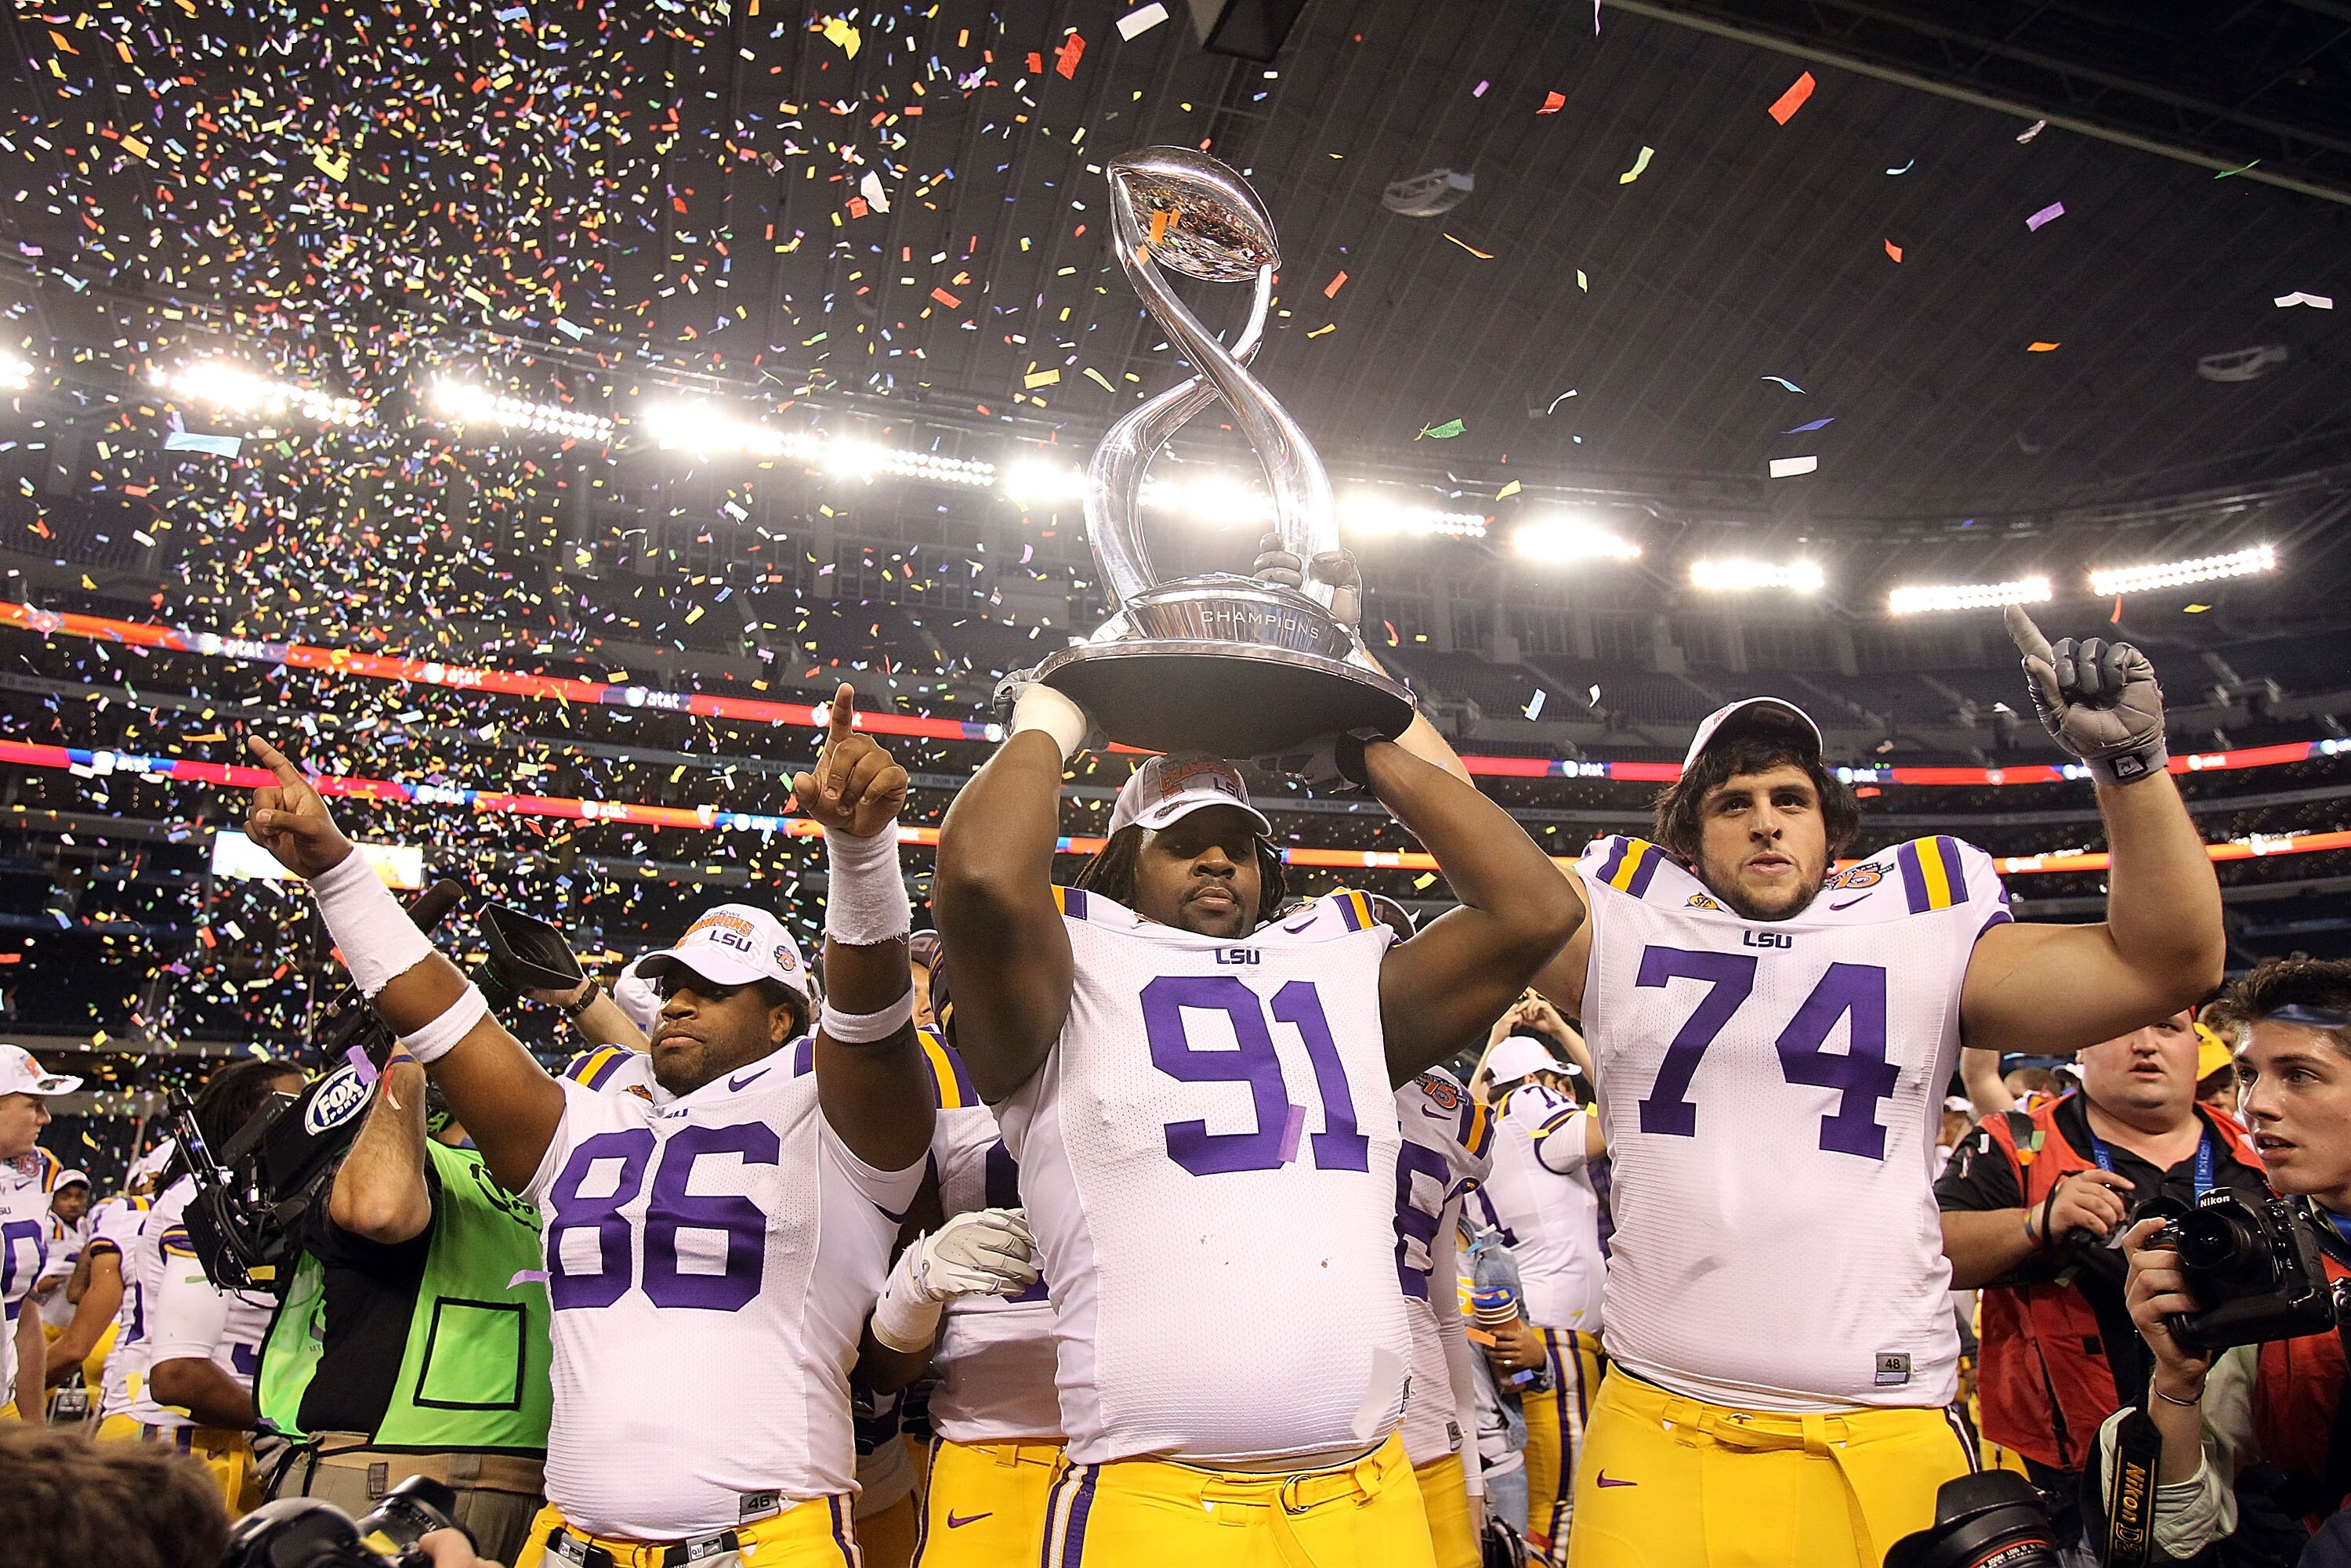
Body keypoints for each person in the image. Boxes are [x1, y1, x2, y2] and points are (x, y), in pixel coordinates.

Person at [1535, 608, 2227, 1568]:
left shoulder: (1919, 925)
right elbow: (1496, 874)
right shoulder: (1623, 920)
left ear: (1832, 831)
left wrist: (2133, 764)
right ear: (1691, 842)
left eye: (1790, 798)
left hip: (1886, 1415)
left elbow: (2169, 966)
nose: (1767, 818)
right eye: (1733, 803)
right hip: (1661, 1414)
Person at [241, 683, 933, 1568]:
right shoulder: (590, 1118)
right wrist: (337, 868)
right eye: (673, 982)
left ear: (781, 1022)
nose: (679, 1000)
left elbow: (873, 1018)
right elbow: (446, 1021)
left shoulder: (837, 1126)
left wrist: (860, 850)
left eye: (715, 989)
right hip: (570, 1543)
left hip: (765, 1541)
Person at [934, 662, 1581, 1568]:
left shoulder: (1336, 975)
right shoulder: (1069, 979)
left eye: (1238, 845)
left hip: (1369, 1489)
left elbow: (1538, 906)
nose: (1216, 860)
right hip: (1154, 1499)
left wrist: (1368, 753)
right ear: (1124, 861)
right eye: (1182, 840)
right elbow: (980, 875)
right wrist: (1054, 717)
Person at [1937, 1008, 2268, 1546]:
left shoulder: (2260, 1153)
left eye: (2168, 1027)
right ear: (2080, 1048)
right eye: (2121, 1024)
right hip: (2065, 1479)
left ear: (2197, 1047)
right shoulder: (2016, 1142)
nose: (2146, 1044)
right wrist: (2036, 1221)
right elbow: (1931, 1249)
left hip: (2246, 1472)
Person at [254, 1046, 552, 1564]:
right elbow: (379, 1209)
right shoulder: (396, 1159)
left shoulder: (547, 1180)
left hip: (534, 1491)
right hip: (390, 1482)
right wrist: (407, 1061)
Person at [2098, 957, 2351, 1559]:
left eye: (2299, 1074)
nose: (2254, 1104)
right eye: (2248, 1075)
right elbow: (2172, 1533)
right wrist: (2176, 1381)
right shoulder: (2271, 1266)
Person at [859, 951, 1063, 1568]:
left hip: (1150, 1439)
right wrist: (917, 1284)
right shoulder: (936, 1119)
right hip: (993, 1439)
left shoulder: (1136, 1089)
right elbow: (886, 1368)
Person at [100, 1056, 305, 1511]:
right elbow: (179, 1376)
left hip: (225, 1437)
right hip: (172, 1445)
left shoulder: (260, 1197)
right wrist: (287, 1422)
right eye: (293, 1101)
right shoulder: (206, 1200)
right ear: (250, 1116)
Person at [1472, 1001, 1607, 1566]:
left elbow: (1469, 1102)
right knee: (1564, 1512)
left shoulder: (1484, 1123)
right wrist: (1571, 1039)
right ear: (1538, 1081)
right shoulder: (1531, 1101)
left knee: (1533, 1511)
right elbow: (1628, 1116)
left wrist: (1499, 1032)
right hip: (1557, 1340)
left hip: (1518, 1329)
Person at [1, 1043, 81, 1423]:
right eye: (33, 1104)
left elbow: (22, 1311)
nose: (45, 1118)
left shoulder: (36, 1171)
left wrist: (33, 1430)